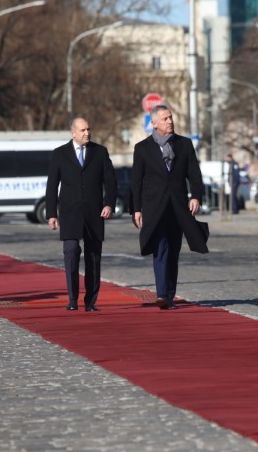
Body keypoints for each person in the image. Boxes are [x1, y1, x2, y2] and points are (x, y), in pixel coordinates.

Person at [131, 105, 208, 309]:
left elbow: (194, 174)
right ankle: (162, 294)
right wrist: (136, 209)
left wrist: (196, 197)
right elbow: (136, 182)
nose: (170, 121)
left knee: (173, 250)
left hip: (178, 207)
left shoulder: (184, 144)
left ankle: (170, 294)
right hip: (154, 207)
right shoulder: (142, 148)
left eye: (171, 118)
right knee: (160, 247)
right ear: (154, 124)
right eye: (165, 119)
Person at [45, 117, 117, 311]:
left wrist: (109, 204)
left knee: (93, 257)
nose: (87, 133)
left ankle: (91, 301)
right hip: (69, 214)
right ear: (73, 133)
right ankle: (72, 298)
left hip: (95, 214)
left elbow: (111, 182)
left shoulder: (99, 152)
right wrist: (51, 214)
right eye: (83, 130)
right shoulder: (59, 154)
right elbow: (52, 186)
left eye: (89, 129)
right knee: (71, 252)